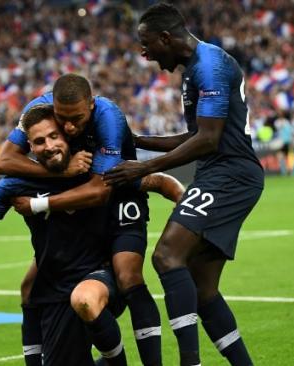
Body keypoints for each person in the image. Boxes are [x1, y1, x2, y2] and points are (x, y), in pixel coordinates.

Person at [104, 3, 264, 366]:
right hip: (220, 172)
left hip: (230, 174)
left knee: (166, 256)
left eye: (147, 45)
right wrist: (138, 142)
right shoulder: (197, 67)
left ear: (166, 37)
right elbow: (195, 137)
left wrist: (141, 168)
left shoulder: (209, 66)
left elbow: (208, 140)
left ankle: (189, 362)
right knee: (203, 289)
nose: (145, 55)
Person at [0, 74, 166, 366]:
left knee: (128, 275)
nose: (70, 127)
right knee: (30, 286)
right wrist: (60, 174)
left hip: (119, 195)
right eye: (63, 119)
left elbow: (101, 191)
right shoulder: (40, 109)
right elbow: (4, 161)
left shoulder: (109, 117)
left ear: (91, 103)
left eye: (77, 118)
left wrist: (39, 204)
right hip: (82, 200)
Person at [0, 104, 127, 365]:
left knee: (85, 300)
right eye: (40, 141)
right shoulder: (16, 184)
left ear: (66, 135)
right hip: (55, 289)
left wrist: (175, 192)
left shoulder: (93, 167)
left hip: (100, 276)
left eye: (54, 136)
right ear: (31, 148)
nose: (49, 145)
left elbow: (142, 177)